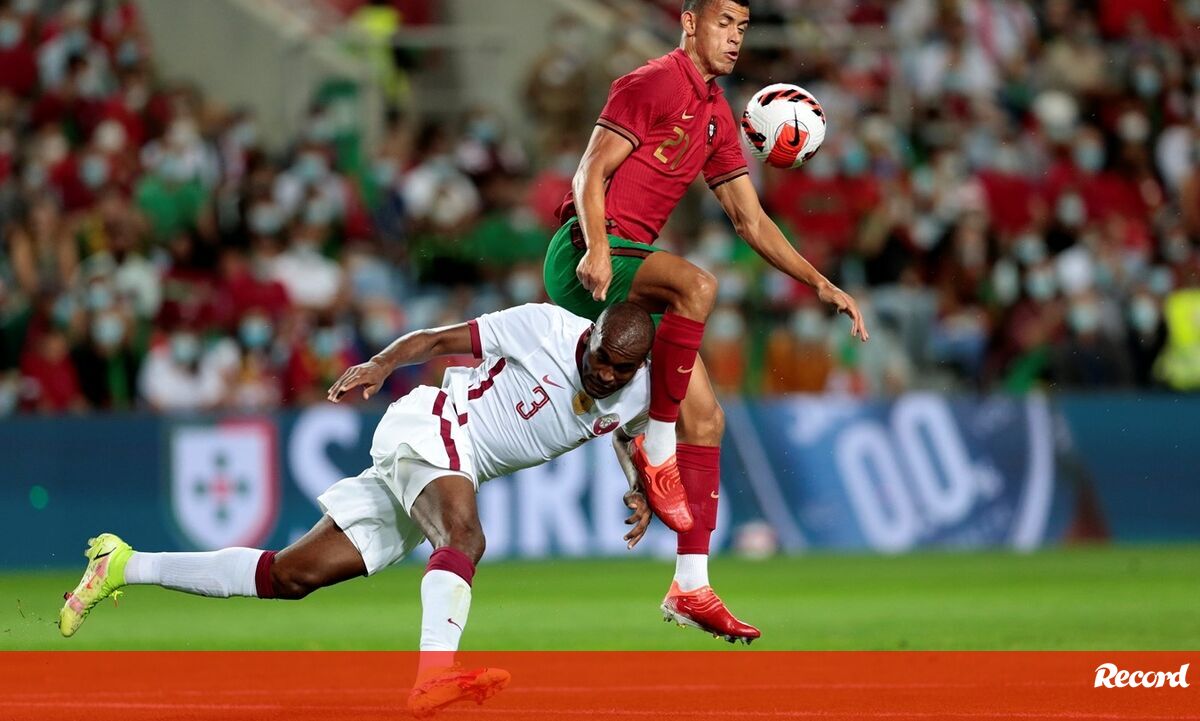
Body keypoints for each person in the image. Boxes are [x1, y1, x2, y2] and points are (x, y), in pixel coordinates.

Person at [59, 302, 658, 719]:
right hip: (437, 424)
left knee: (290, 575)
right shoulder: (545, 328)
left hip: (451, 465)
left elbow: (628, 435)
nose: (605, 374)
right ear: (590, 336)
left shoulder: (636, 391)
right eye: (600, 358)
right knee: (463, 537)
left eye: (620, 369)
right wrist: (382, 364)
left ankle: (124, 564)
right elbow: (438, 340)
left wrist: (637, 485)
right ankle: (433, 677)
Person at [542, 0, 870, 642]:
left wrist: (819, 282)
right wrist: (599, 248)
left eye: (743, 27)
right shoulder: (650, 83)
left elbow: (751, 222)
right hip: (585, 252)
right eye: (724, 23)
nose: (735, 37)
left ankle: (690, 585)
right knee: (697, 285)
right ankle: (654, 447)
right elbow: (589, 172)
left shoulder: (718, 114)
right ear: (690, 22)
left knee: (710, 420)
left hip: (630, 267)